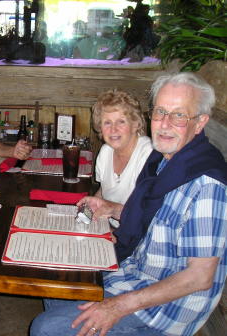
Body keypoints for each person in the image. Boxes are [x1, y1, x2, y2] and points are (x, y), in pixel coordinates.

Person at [30, 72, 227, 336]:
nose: (165, 123)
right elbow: (154, 218)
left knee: (45, 327)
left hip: (167, 306)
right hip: (136, 267)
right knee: (55, 277)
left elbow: (200, 277)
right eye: (160, 112)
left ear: (200, 122)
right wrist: (112, 209)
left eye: (179, 115)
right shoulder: (166, 161)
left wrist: (117, 306)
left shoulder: (207, 185)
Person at [92, 89, 152, 205]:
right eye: (107, 123)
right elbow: (104, 191)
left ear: (135, 124)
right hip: (107, 222)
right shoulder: (105, 152)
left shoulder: (148, 155)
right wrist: (92, 204)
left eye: (121, 122)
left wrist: (111, 209)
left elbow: (146, 211)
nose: (113, 129)